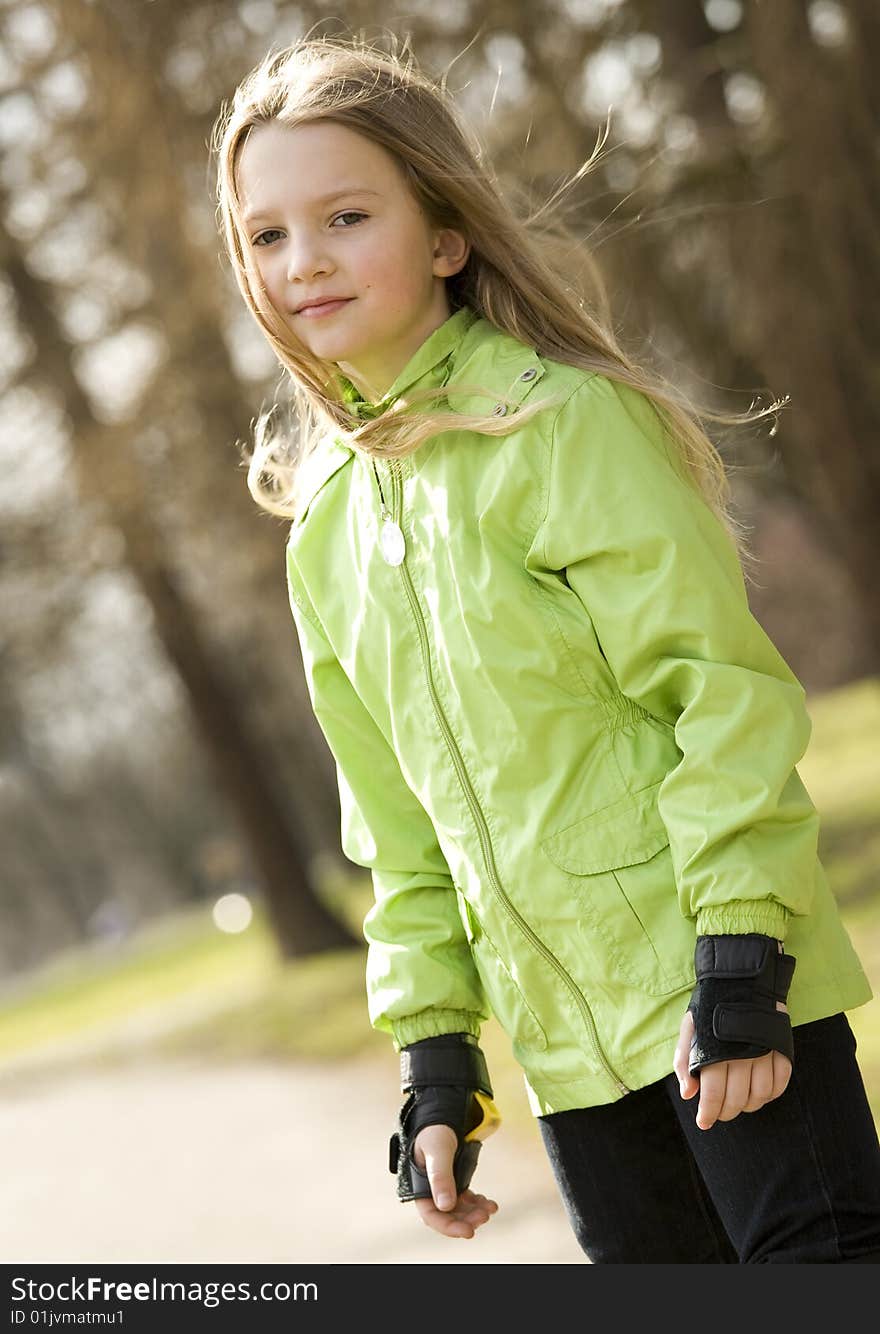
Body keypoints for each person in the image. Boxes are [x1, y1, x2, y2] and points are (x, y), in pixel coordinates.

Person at [212, 34, 880, 1263]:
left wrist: (738, 957)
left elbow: (720, 694)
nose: (302, 261)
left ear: (445, 235)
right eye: (265, 236)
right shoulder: (328, 532)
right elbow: (400, 832)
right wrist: (436, 1057)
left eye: (346, 216)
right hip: (572, 1074)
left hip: (726, 1011)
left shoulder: (563, 425)